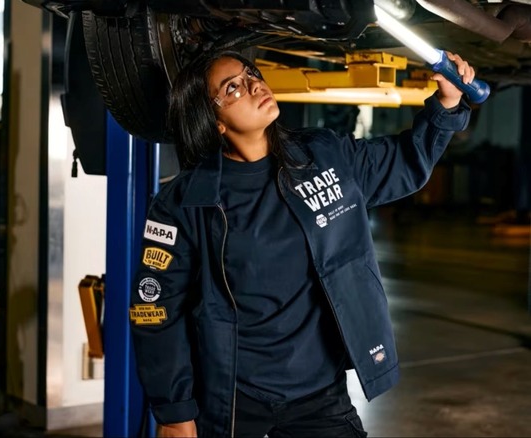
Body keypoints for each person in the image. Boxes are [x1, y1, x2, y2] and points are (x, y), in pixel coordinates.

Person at [129, 49, 474, 437]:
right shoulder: (183, 204)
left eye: (251, 73)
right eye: (233, 87)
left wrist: (445, 106)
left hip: (319, 397)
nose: (255, 84)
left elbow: (402, 162)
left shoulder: (323, 157)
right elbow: (156, 311)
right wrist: (175, 413)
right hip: (232, 403)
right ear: (214, 121)